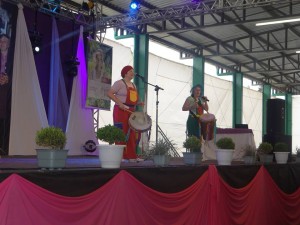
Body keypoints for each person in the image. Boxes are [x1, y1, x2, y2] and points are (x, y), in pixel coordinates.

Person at [107, 65, 143, 160]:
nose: (133, 73)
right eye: (131, 71)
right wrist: (119, 103)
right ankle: (121, 156)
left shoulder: (134, 85)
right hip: (121, 110)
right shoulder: (119, 83)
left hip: (131, 111)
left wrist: (139, 102)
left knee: (132, 133)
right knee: (121, 132)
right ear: (126, 73)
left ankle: (131, 155)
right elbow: (109, 93)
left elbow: (133, 99)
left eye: (133, 71)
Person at [0, 33, 11, 155]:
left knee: (5, 117)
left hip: (7, 91)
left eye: (4, 41)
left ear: (8, 44)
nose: (2, 43)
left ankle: (3, 146)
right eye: (0, 41)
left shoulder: (12, 58)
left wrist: (9, 78)